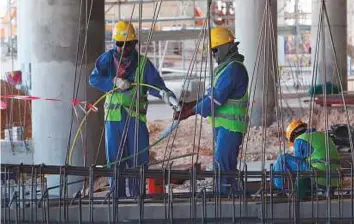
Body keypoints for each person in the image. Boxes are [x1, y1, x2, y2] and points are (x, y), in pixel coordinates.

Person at [89, 20, 177, 197]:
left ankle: (137, 199)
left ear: (134, 43)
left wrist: (167, 95)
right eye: (119, 44)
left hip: (135, 120)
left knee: (138, 161)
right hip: (114, 121)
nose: (122, 48)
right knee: (115, 161)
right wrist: (113, 81)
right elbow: (94, 79)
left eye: (127, 44)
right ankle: (117, 197)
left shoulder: (143, 64)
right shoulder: (107, 59)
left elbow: (156, 86)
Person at [174, 27, 249, 195]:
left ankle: (227, 204)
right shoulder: (226, 68)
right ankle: (228, 198)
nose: (213, 55)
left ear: (224, 48)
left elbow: (215, 100)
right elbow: (211, 95)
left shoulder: (233, 70)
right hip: (224, 127)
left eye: (215, 50)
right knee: (222, 167)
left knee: (224, 168)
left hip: (230, 128)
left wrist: (189, 112)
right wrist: (190, 104)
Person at [273, 120, 341, 198]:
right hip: (335, 179)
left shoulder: (300, 139)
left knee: (282, 159)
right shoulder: (323, 135)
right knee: (305, 167)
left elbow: (300, 167)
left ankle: (281, 191)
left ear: (294, 134)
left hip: (319, 175)